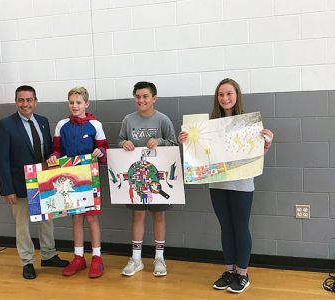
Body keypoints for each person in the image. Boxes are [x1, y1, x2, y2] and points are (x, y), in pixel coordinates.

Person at [178, 78, 274, 293]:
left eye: (229, 94)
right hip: (218, 185)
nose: (225, 98)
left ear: (237, 95)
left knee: (240, 227)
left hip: (242, 184)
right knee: (225, 228)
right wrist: (187, 141)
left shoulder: (248, 124)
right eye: (221, 94)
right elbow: (200, 156)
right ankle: (229, 271)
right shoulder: (208, 126)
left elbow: (256, 154)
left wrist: (266, 143)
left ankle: (242, 274)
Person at [0, 85, 68, 280]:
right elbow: (1, 160)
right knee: (23, 225)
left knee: (47, 221)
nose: (25, 104)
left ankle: (48, 255)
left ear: (35, 101)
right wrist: (7, 189)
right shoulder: (6, 125)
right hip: (19, 185)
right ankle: (27, 262)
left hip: (43, 182)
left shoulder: (43, 122)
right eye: (21, 100)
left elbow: (49, 151)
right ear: (16, 102)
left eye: (29, 100)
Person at [47, 87, 108, 278]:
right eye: (72, 102)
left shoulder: (95, 125)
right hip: (69, 178)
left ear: (86, 104)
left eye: (79, 102)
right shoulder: (62, 125)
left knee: (91, 217)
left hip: (90, 176)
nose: (75, 106)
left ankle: (97, 258)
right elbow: (57, 150)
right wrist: (53, 157)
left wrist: (101, 153)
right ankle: (79, 258)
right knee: (76, 218)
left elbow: (103, 151)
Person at [118, 81, 177, 277]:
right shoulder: (128, 120)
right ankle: (136, 259)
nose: (141, 100)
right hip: (136, 178)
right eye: (138, 96)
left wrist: (160, 142)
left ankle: (159, 258)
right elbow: (120, 140)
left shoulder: (163, 120)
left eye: (145, 96)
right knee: (137, 215)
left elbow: (173, 144)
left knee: (158, 216)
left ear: (154, 98)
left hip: (155, 177)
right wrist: (124, 143)